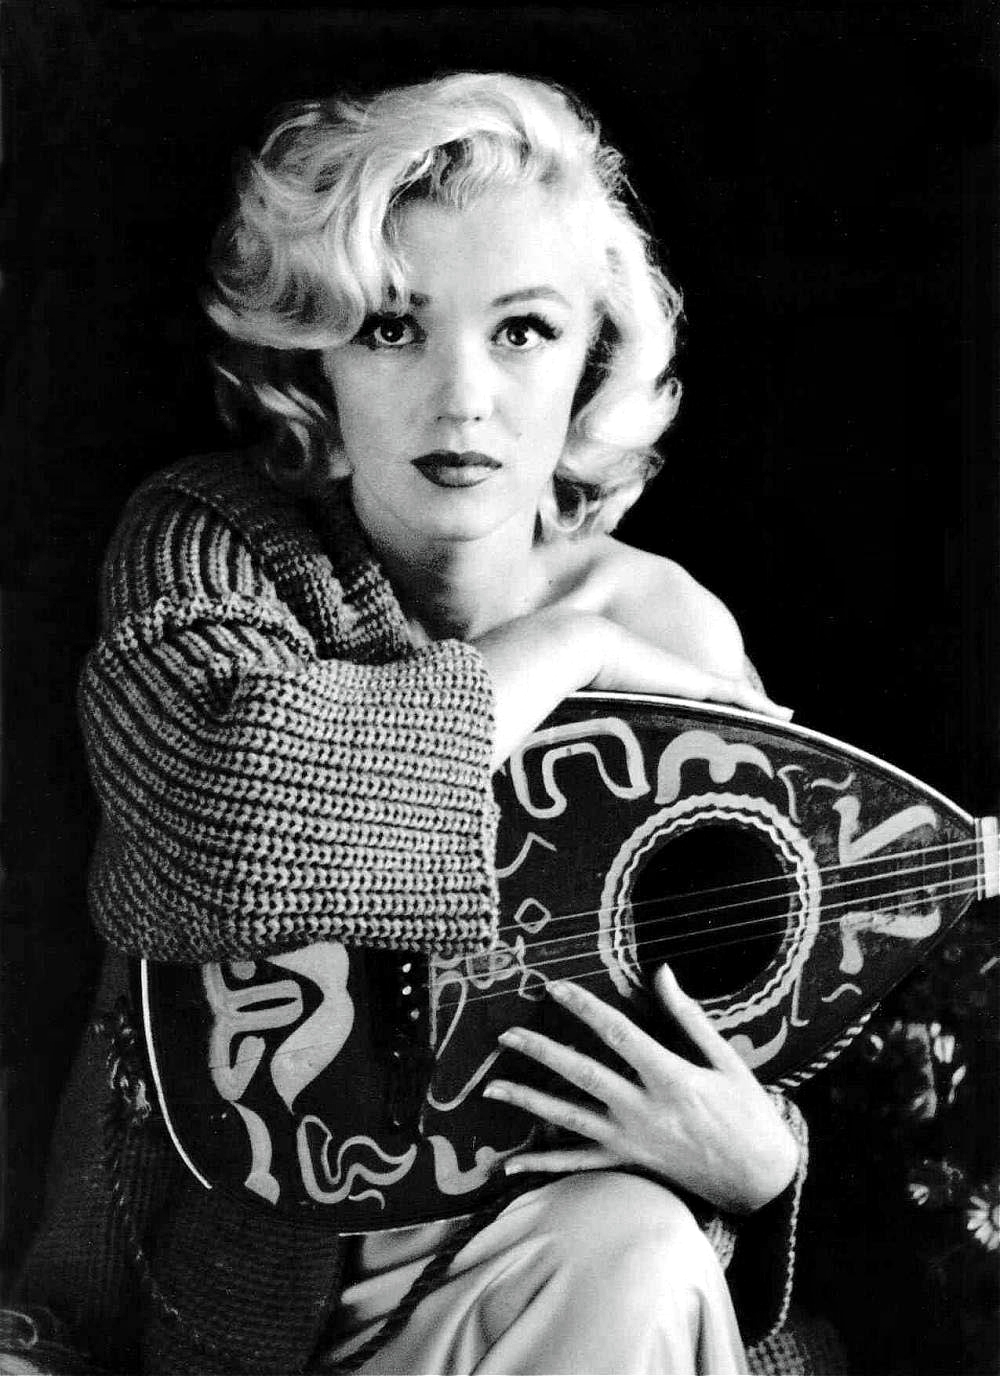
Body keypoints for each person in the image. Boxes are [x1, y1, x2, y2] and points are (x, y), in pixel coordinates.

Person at [2, 71, 808, 1375]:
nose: (462, 396)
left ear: (594, 361)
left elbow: (769, 1004)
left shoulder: (678, 628)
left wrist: (762, 1172)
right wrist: (569, 649)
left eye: (524, 330)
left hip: (552, 1275)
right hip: (228, 1307)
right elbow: (230, 822)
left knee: (645, 1251)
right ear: (311, 359)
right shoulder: (216, 540)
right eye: (391, 328)